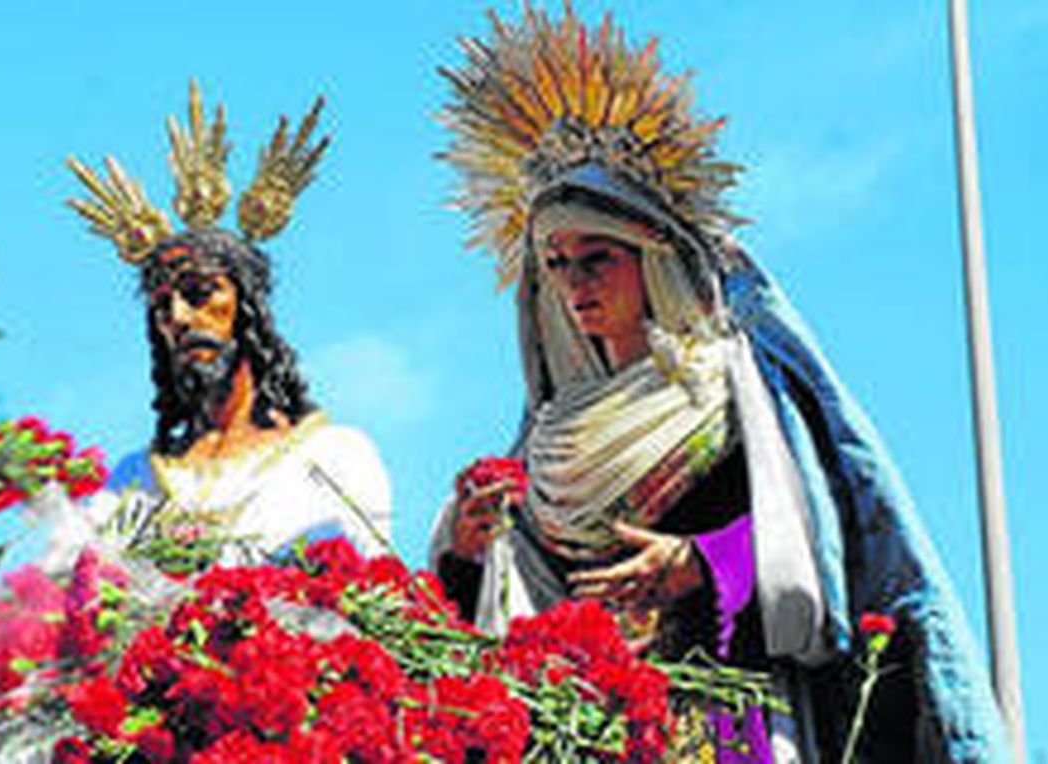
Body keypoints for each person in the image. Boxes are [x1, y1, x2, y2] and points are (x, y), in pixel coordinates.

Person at [428, 6, 1010, 762]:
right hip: (583, 718)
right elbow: (524, 593)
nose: (575, 284)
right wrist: (471, 548)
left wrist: (704, 563)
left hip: (727, 706)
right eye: (557, 263)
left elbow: (826, 532)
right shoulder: (550, 434)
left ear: (654, 259)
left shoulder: (732, 390)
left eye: (597, 257)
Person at [53, 83, 392, 568]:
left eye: (198, 293)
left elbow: (360, 584)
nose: (179, 318)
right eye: (162, 307)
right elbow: (71, 587)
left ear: (247, 304)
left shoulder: (334, 456)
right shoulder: (134, 481)